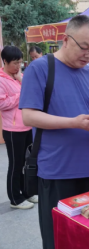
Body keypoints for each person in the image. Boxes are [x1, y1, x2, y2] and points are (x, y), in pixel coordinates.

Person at [19, 15, 89, 249]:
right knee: (58, 239)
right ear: (65, 39)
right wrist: (74, 122)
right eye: (84, 47)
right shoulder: (40, 68)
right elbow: (28, 116)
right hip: (58, 170)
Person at [0, 46, 36, 210]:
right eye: (15, 63)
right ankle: (15, 198)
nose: (18, 66)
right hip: (13, 130)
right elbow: (2, 103)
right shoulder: (1, 79)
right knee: (16, 164)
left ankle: (27, 192)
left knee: (26, 162)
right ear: (5, 61)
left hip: (27, 125)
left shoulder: (17, 77)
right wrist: (20, 95)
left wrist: (22, 80)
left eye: (20, 62)